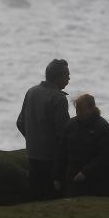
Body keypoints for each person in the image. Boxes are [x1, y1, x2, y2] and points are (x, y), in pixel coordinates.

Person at [16, 58, 70, 200]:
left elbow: (20, 122)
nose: (69, 79)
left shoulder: (31, 91)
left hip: (32, 154)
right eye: (67, 75)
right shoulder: (59, 98)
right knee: (53, 196)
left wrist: (34, 140)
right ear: (58, 77)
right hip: (52, 158)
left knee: (36, 195)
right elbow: (63, 133)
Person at [57, 94, 109, 197]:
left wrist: (85, 172)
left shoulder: (102, 126)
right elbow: (62, 151)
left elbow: (105, 156)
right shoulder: (71, 124)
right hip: (73, 175)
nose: (78, 113)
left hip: (96, 179)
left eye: (81, 110)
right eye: (77, 110)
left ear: (91, 109)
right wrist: (57, 175)